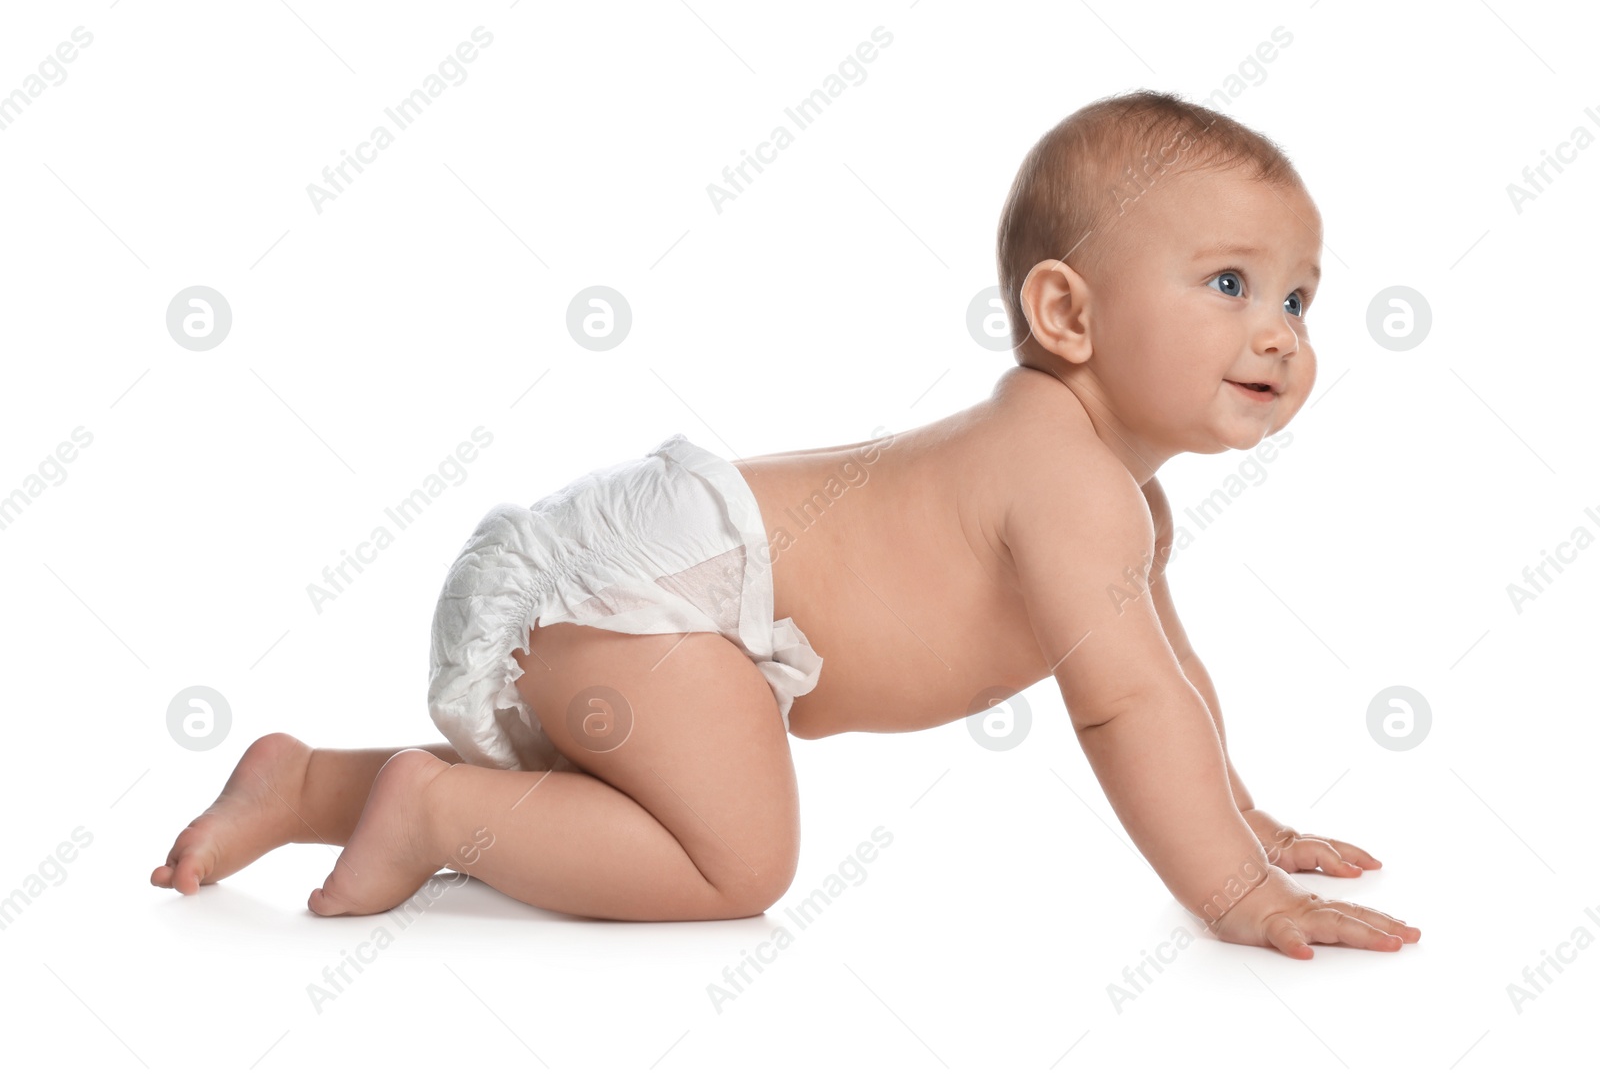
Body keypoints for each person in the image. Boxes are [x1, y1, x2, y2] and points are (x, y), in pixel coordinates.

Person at [153, 89, 1420, 960]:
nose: (1280, 331)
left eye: (1301, 296)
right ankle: (430, 811)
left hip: (649, 593)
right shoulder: (1066, 481)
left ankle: (308, 782)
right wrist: (1232, 891)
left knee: (615, 806)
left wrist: (1249, 816)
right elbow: (1125, 705)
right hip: (667, 599)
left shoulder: (1117, 494)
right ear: (1066, 312)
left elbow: (1174, 681)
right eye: (1229, 282)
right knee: (733, 863)